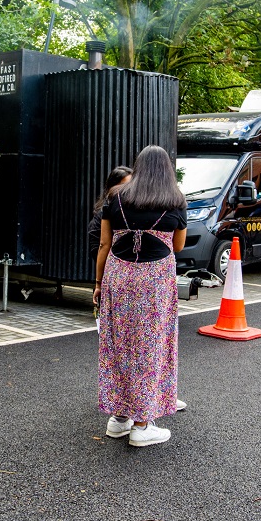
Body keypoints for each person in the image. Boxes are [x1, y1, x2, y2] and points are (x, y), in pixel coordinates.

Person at [94, 145, 187, 447]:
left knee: (118, 343)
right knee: (151, 346)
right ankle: (142, 424)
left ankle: (118, 418)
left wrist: (97, 283)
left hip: (118, 276)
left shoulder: (115, 198)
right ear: (166, 169)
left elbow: (105, 244)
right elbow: (178, 246)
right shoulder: (175, 201)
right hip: (155, 280)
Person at [87, 166, 133, 260]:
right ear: (112, 188)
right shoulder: (101, 217)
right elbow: (98, 249)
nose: (129, 190)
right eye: (124, 186)